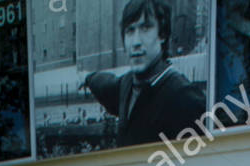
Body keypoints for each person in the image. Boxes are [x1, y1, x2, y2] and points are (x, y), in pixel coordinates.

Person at [84, 0, 204, 147]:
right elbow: (102, 83)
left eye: (145, 28)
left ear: (162, 35)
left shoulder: (184, 97)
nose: (136, 42)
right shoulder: (126, 85)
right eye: (130, 31)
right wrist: (88, 79)